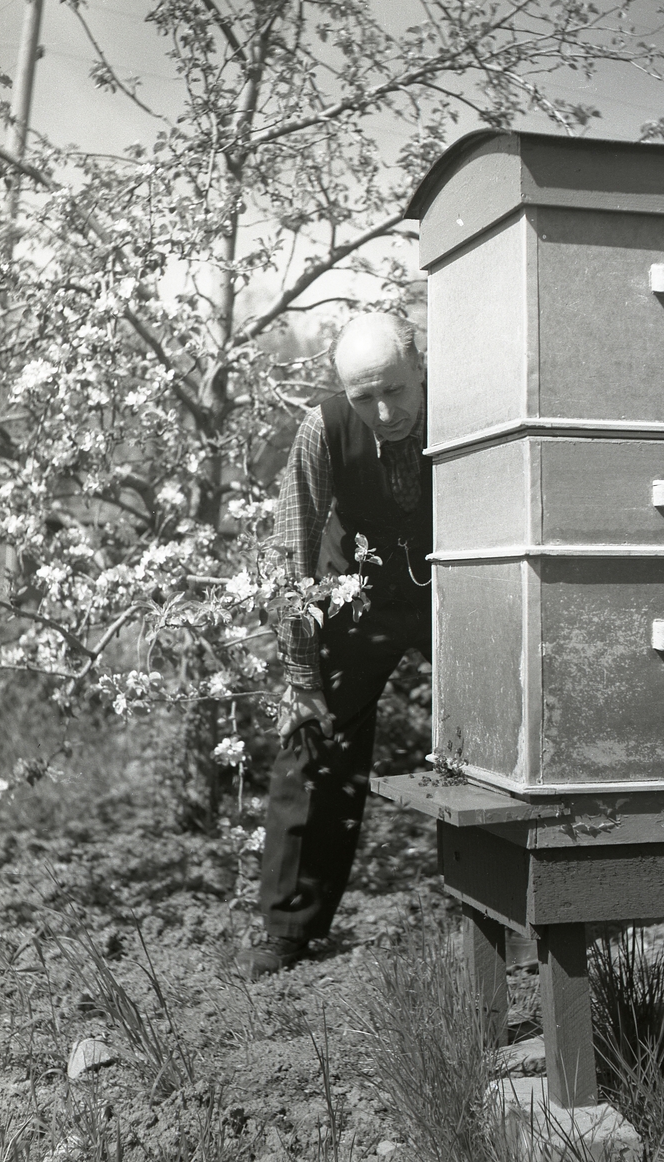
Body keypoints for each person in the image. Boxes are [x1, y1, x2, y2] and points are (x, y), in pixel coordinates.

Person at [236, 312, 433, 979]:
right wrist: (300, 670)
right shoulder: (322, 429)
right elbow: (292, 551)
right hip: (358, 597)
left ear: (420, 368)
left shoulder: (468, 407)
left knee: (496, 734)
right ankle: (286, 929)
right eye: (364, 397)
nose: (384, 411)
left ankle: (514, 917)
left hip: (450, 592)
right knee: (314, 742)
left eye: (396, 391)